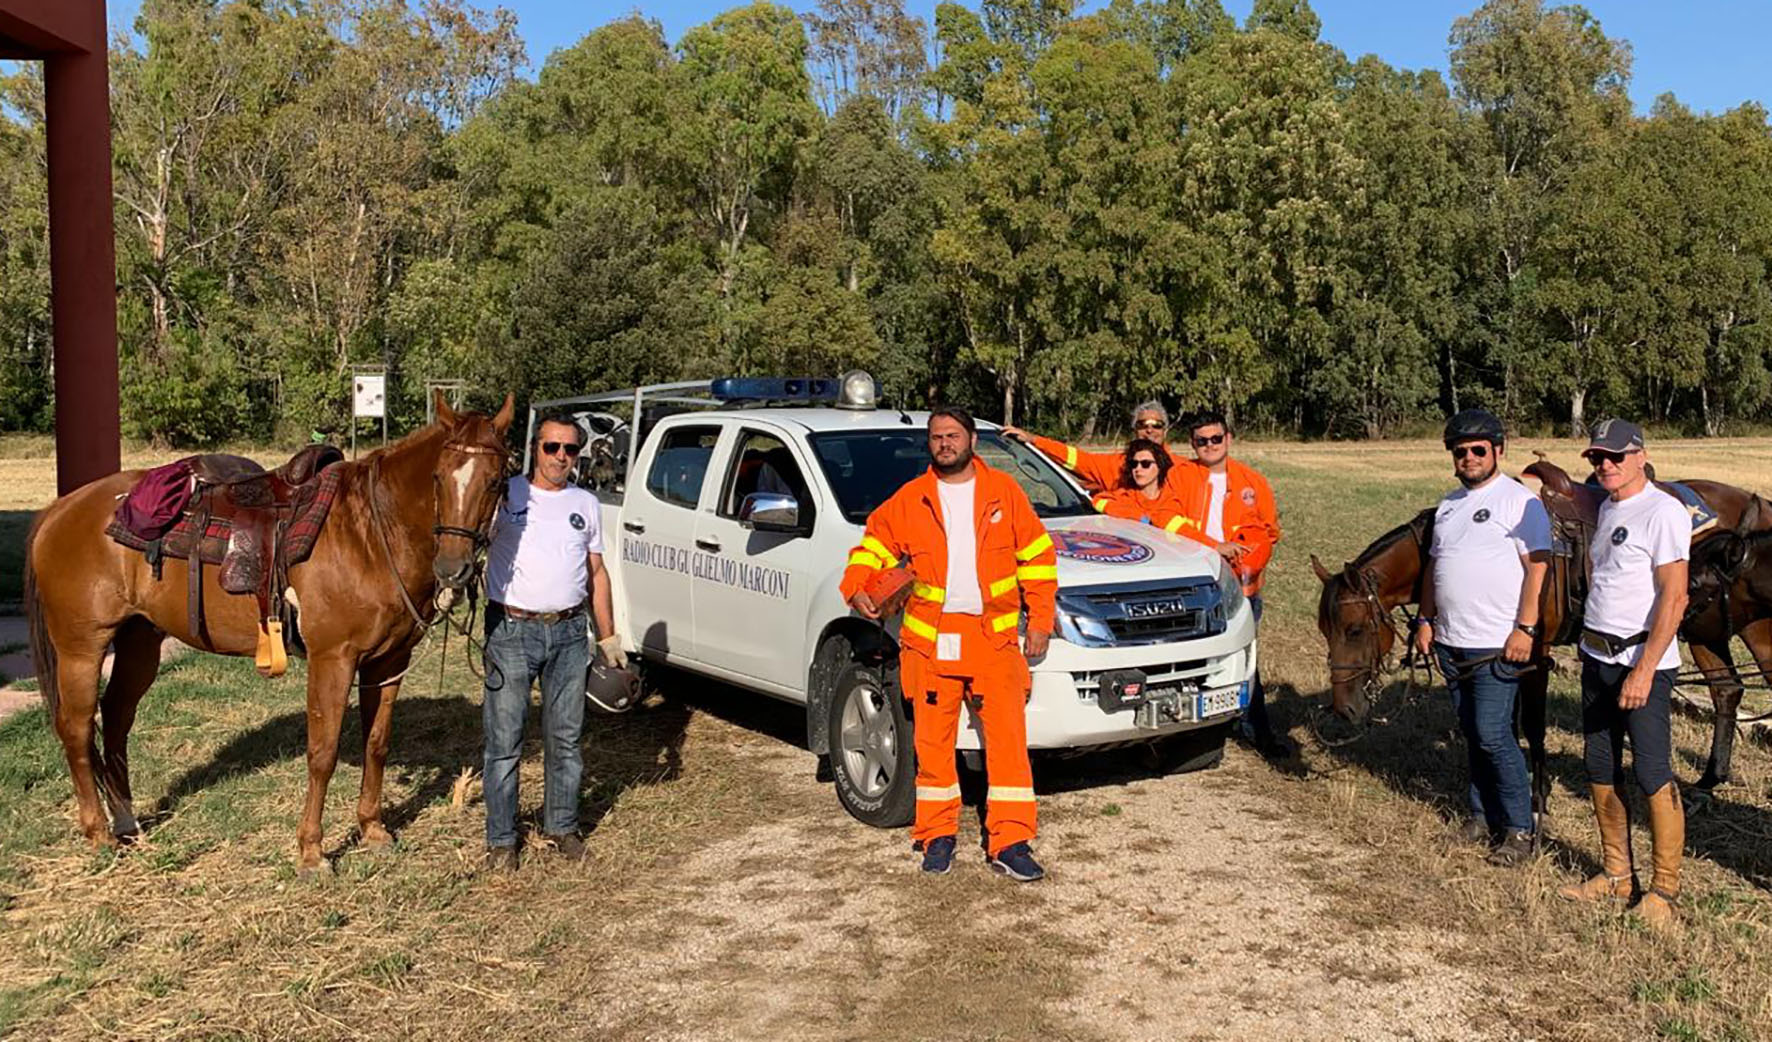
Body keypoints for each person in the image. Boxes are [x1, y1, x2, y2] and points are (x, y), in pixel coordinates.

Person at [839, 407, 1060, 881]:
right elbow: (871, 547)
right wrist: (857, 586)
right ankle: (936, 836)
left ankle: (1011, 841)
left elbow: (1038, 557)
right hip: (931, 644)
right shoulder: (911, 499)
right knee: (933, 745)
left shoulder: (1004, 492)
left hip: (994, 640)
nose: (944, 443)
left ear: (972, 441)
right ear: (930, 444)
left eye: (953, 435)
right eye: (937, 437)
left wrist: (1040, 619)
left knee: (1007, 744)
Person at [1556, 419, 1688, 931]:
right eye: (1596, 458)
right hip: (1597, 658)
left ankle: (1665, 891)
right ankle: (1616, 874)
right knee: (1599, 764)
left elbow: (1673, 598)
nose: (1604, 465)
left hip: (1640, 664)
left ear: (1640, 456)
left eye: (1614, 456)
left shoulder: (1664, 512)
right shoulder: (1608, 506)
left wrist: (1645, 669)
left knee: (1653, 772)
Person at [480, 413, 622, 872]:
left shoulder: (586, 503)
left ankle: (562, 827)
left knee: (566, 738)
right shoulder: (505, 495)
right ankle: (502, 840)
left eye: (570, 449)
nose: (561, 457)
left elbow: (596, 573)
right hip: (511, 631)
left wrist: (609, 635)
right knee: (505, 741)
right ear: (533, 449)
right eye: (552, 447)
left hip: (567, 634)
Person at [1411, 409, 1551, 866]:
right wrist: (1425, 621)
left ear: (1498, 451)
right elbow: (1435, 567)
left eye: (1477, 450)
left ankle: (1518, 829)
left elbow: (1538, 567)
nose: (1468, 458)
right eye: (1460, 451)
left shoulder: (1518, 501)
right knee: (1472, 733)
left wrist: (1525, 628)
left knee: (1493, 735)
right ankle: (1479, 814)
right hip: (1451, 641)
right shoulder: (1449, 505)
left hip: (1496, 643)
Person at [1178, 411, 1287, 756]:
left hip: (1241, 589)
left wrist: (1251, 560)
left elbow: (1269, 532)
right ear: (1192, 444)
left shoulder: (1252, 482)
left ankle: (1259, 731)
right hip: (1193, 586)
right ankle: (1189, 730)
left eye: (1215, 439)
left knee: (1246, 658)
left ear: (1228, 439)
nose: (1209, 446)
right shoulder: (1180, 477)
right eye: (1201, 441)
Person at [1003, 401, 1193, 495]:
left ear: (1165, 430)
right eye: (1143, 425)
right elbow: (1076, 458)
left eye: (1156, 425)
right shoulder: (1116, 464)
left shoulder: (1184, 469)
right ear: (1135, 430)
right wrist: (1035, 440)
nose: (1149, 430)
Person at [1090, 437, 1202, 538]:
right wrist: (1139, 517)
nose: (1138, 469)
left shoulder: (1174, 496)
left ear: (1159, 466)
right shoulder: (1125, 496)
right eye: (1134, 464)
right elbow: (1098, 500)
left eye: (1145, 464)